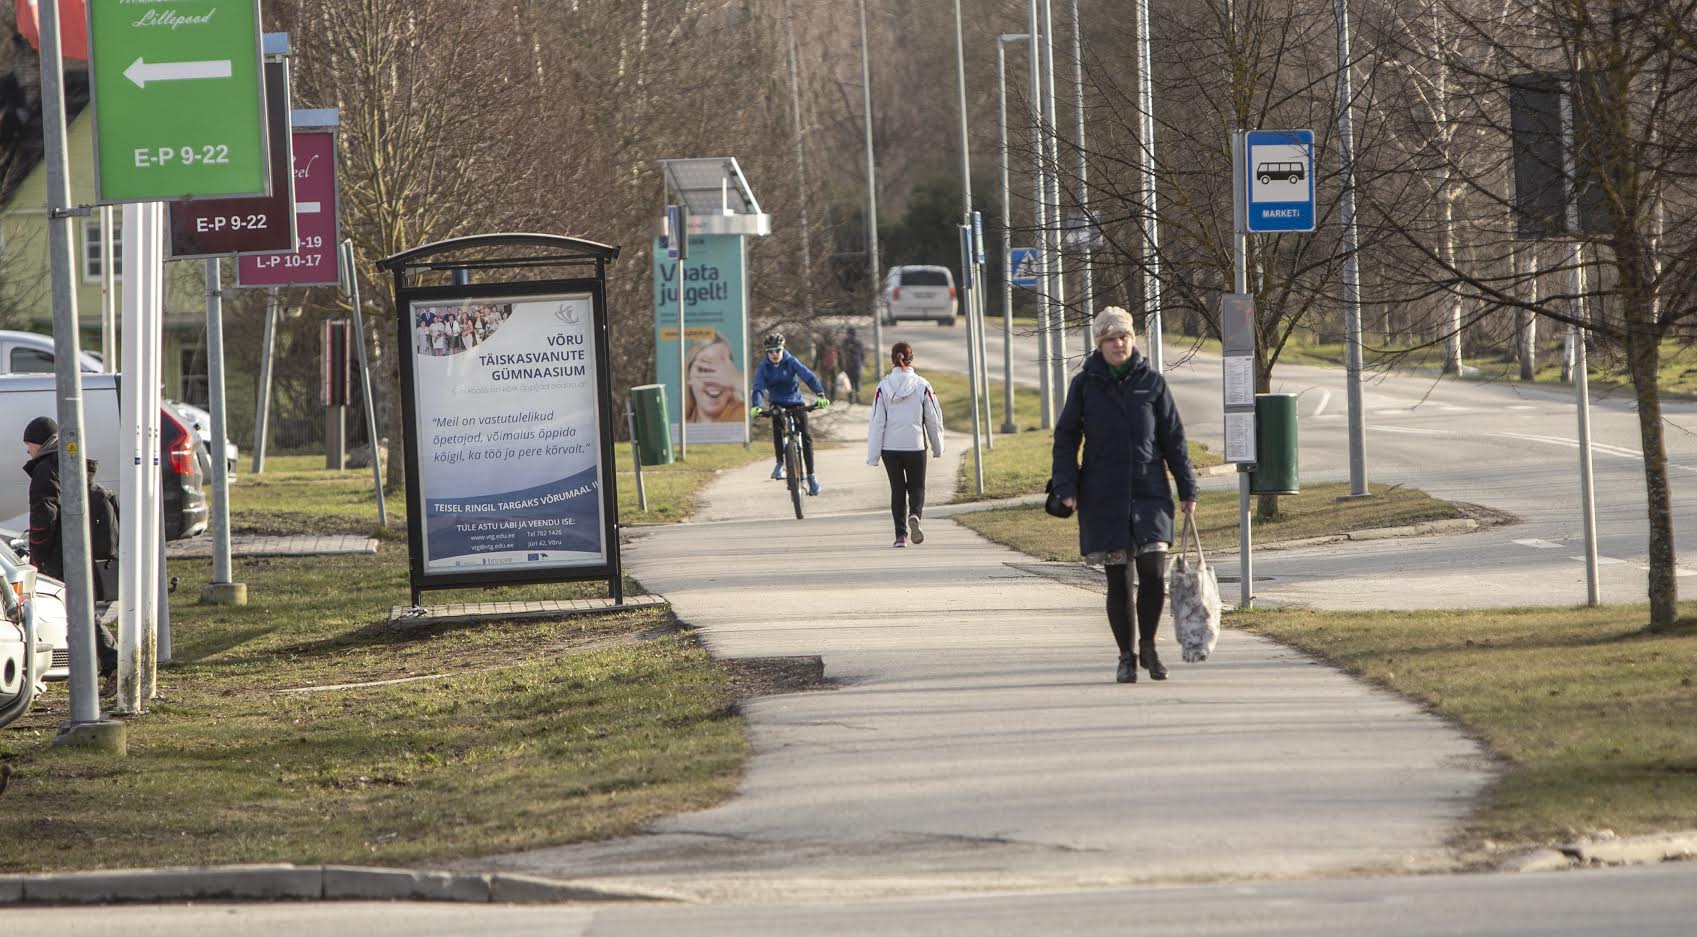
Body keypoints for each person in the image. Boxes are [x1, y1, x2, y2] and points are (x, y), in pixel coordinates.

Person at [1051, 307, 1198, 684]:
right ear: (1099, 343)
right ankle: (1126, 657)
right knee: (1118, 579)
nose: (1119, 344)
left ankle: (1148, 644)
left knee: (1152, 573)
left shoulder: (1152, 382)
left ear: (1133, 339)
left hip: (1149, 489)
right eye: (1111, 339)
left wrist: (1187, 488)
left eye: (1125, 337)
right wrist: (1066, 488)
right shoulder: (1085, 386)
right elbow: (1066, 438)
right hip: (1103, 493)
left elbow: (1174, 439)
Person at [21, 416, 118, 679]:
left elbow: (44, 515)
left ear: (37, 443)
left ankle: (111, 660)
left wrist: (37, 554)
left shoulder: (45, 469)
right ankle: (96, 664)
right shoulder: (68, 464)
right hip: (76, 547)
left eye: (28, 445)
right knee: (78, 608)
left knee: (72, 608)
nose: (27, 451)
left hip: (59, 553)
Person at [866, 342, 944, 548]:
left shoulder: (883, 386)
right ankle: (915, 515)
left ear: (892, 359)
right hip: (915, 445)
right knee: (917, 486)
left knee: (897, 490)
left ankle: (900, 536)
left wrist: (873, 455)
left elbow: (877, 422)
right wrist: (937, 447)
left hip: (890, 448)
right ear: (912, 359)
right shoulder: (922, 385)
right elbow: (933, 419)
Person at [750, 332, 828, 495]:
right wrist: (756, 406)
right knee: (777, 427)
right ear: (766, 352)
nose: (774, 354)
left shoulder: (791, 361)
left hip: (795, 402)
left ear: (783, 349)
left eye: (777, 350)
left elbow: (808, 377)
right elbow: (758, 388)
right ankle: (780, 463)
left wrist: (820, 394)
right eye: (770, 351)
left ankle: (811, 477)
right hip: (777, 402)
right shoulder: (763, 367)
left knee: (806, 437)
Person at [684, 334, 747, 424]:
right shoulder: (682, 428)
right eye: (704, 370)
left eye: (720, 371)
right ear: (689, 376)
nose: (713, 381)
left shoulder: (744, 416)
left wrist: (740, 383)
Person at [842, 327, 866, 404]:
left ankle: (851, 397)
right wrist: (862, 363)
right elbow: (862, 355)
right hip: (856, 364)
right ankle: (856, 396)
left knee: (850, 381)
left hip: (849, 365)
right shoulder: (858, 342)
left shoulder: (845, 342)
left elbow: (841, 354)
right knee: (856, 381)